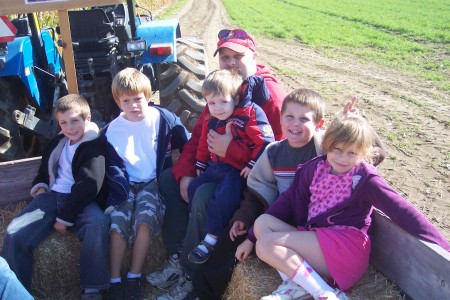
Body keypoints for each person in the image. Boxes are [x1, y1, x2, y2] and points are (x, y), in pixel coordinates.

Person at [237, 112, 450, 300]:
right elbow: (285, 203)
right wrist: (250, 239)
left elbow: (404, 212)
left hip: (346, 249)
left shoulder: (364, 179)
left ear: (363, 153)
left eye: (352, 153)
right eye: (337, 150)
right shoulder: (314, 169)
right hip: (318, 240)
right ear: (327, 144)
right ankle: (298, 285)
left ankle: (325, 293)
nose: (343, 158)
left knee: (266, 245)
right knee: (263, 223)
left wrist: (445, 249)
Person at [147, 28, 287, 300]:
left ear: (254, 56)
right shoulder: (221, 89)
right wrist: (187, 172)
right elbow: (199, 136)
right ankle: (178, 253)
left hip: (249, 180)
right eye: (225, 57)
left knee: (202, 196)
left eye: (238, 55)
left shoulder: (268, 93)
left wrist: (231, 151)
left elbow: (276, 153)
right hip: (218, 168)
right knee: (169, 180)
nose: (231, 62)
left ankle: (191, 272)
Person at [2, 94, 110, 300]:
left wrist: (65, 217)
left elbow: (90, 185)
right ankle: (14, 290)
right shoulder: (58, 142)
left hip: (80, 200)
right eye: (64, 123)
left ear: (87, 118)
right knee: (14, 232)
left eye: (75, 121)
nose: (70, 128)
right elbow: (45, 170)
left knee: (98, 223)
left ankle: (93, 288)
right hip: (52, 197)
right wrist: (40, 187)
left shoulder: (94, 145)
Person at [104, 68, 189, 300]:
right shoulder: (112, 129)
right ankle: (113, 281)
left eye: (138, 99)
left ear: (149, 96)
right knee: (119, 222)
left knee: (145, 219)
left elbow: (188, 145)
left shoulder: (163, 120)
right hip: (124, 184)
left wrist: (187, 173)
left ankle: (134, 276)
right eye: (126, 100)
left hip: (153, 182)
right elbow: (101, 158)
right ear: (118, 102)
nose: (133, 105)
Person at [187, 69, 274, 265]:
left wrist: (252, 164)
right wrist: (200, 162)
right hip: (214, 167)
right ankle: (196, 222)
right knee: (193, 187)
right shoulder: (211, 118)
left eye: (223, 102)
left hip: (235, 170)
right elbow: (204, 140)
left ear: (235, 98)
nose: (217, 108)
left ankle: (211, 238)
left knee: (225, 196)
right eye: (211, 103)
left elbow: (266, 141)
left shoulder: (250, 113)